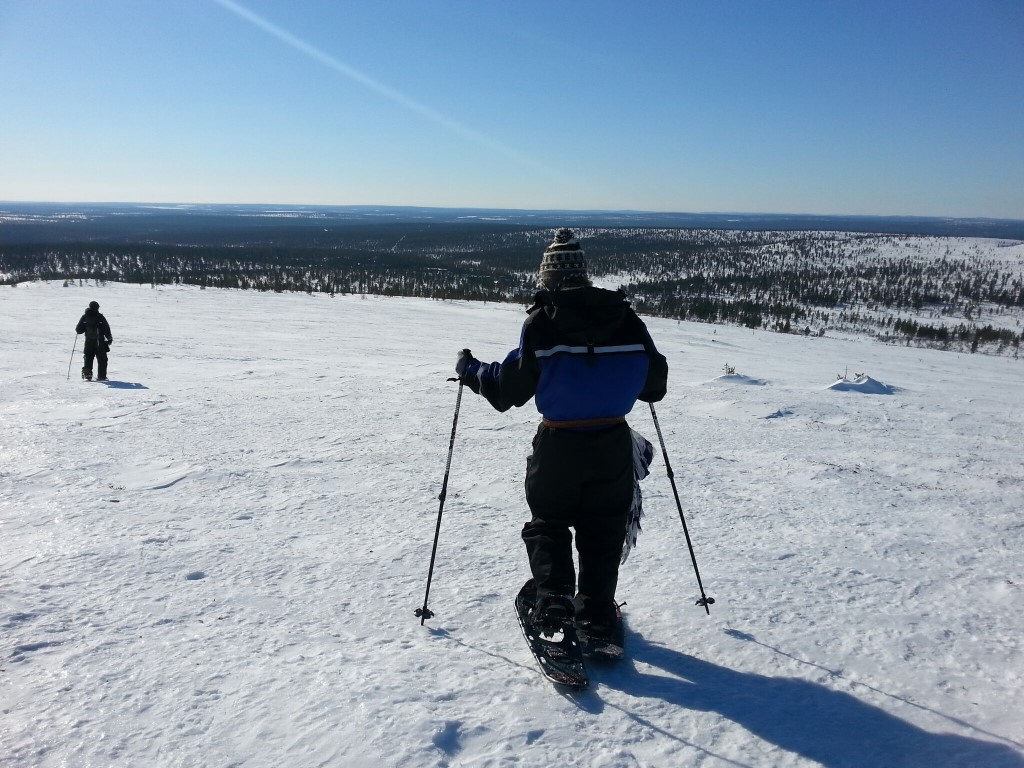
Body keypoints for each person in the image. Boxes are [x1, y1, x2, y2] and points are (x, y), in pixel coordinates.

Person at [455, 228, 668, 638]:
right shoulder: (625, 318)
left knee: (548, 523)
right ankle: (597, 614)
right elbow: (654, 387)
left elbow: (506, 390)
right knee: (603, 528)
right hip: (612, 444)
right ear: (584, 275)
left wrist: (470, 370)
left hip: (558, 445)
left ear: (548, 277)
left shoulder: (543, 323)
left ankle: (553, 601)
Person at [75, 301, 113, 381]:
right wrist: (109, 338)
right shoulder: (100, 317)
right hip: (100, 342)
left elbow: (78, 330)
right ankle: (101, 376)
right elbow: (106, 328)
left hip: (88, 341)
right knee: (102, 359)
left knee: (88, 357)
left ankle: (87, 375)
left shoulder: (85, 317)